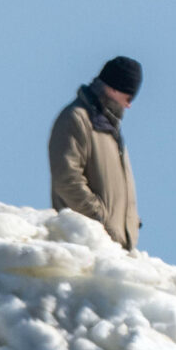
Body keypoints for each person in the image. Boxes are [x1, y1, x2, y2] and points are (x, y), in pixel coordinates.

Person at [50, 56, 142, 250]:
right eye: (129, 97)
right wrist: (98, 219)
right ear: (114, 88)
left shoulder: (109, 129)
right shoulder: (76, 119)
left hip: (115, 251)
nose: (129, 105)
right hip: (85, 247)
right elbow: (66, 178)